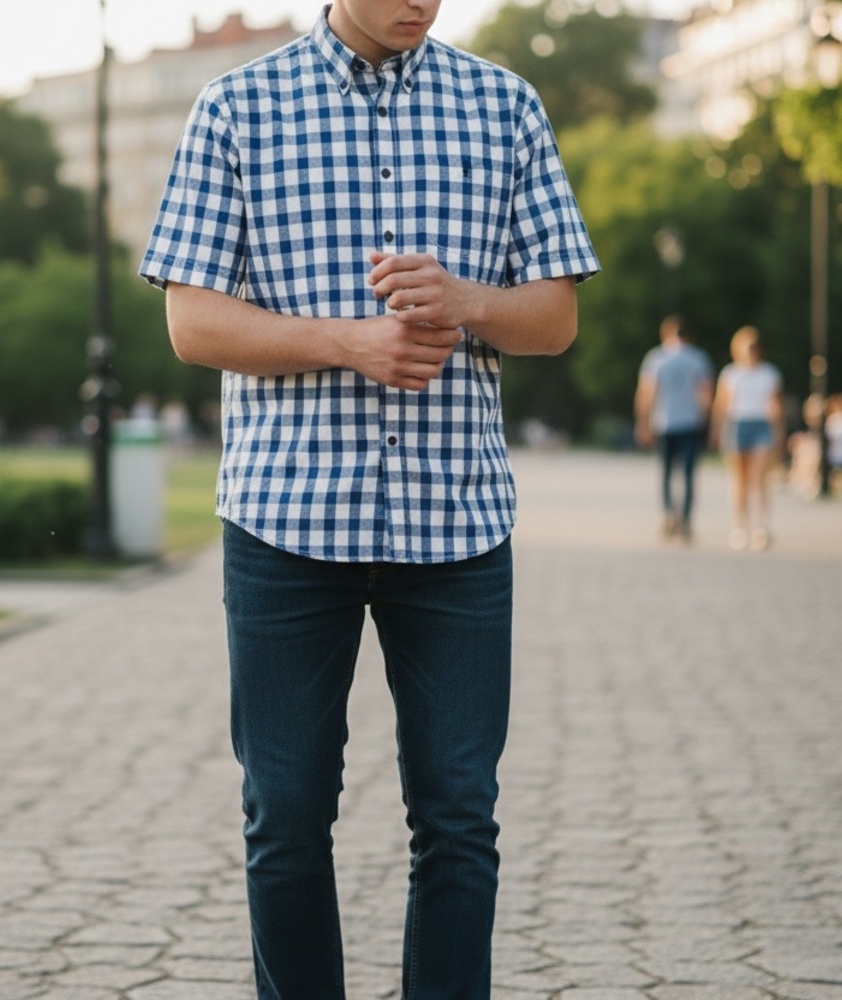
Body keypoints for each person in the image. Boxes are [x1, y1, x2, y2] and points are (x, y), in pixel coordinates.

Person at [139, 1, 599, 997]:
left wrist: (468, 301)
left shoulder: (504, 106)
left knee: (457, 816)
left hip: (457, 523)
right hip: (286, 523)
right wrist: (347, 340)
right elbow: (191, 321)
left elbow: (555, 314)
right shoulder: (237, 107)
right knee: (287, 813)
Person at [634, 315, 714, 541]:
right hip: (690, 422)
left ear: (666, 334)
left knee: (667, 473)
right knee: (688, 474)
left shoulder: (656, 358)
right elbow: (706, 394)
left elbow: (647, 393)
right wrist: (707, 420)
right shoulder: (698, 358)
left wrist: (642, 422)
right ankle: (686, 520)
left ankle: (669, 513)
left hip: (664, 422)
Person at [711, 326, 784, 551]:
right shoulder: (730, 373)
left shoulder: (769, 374)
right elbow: (721, 405)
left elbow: (775, 406)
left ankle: (762, 527)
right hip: (737, 424)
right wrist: (715, 429)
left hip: (761, 424)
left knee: (760, 477)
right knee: (739, 480)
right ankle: (740, 527)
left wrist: (779, 432)